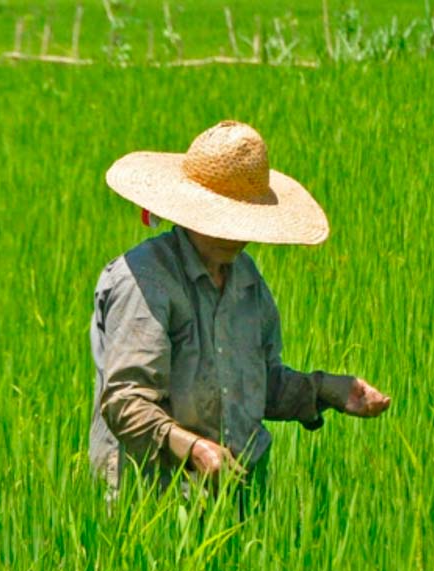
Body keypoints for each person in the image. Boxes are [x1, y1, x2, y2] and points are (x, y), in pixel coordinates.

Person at [89, 121, 391, 506]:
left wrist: (324, 390)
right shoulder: (145, 279)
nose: (234, 236)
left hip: (238, 497)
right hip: (153, 500)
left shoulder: (246, 279)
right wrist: (194, 448)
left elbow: (251, 386)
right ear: (190, 209)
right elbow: (124, 401)